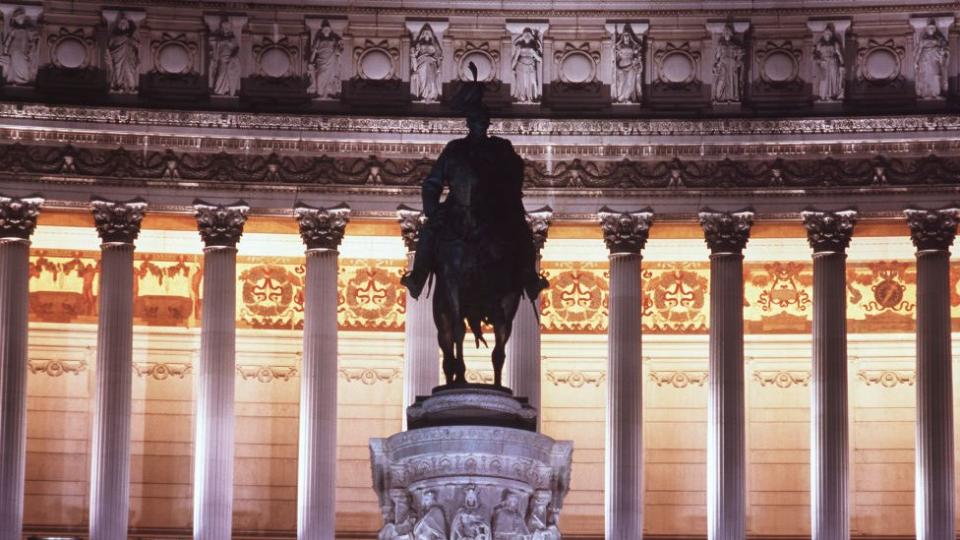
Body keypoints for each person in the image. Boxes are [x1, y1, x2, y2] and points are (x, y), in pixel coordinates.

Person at [399, 85, 546, 303]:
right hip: (457, 207)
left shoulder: (499, 148)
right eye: (477, 122)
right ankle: (417, 277)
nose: (481, 126)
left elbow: (515, 171)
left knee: (522, 232)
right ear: (469, 124)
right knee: (428, 231)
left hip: (493, 208)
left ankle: (529, 277)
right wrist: (432, 209)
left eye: (484, 123)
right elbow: (432, 183)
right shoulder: (455, 149)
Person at [308, 19, 343, 99]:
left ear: (330, 30)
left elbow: (339, 48)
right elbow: (314, 51)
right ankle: (320, 93)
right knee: (320, 76)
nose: (326, 30)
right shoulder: (319, 40)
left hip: (331, 59)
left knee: (331, 76)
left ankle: (328, 93)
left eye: (327, 29)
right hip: (321, 60)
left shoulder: (333, 40)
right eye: (325, 29)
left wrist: (339, 46)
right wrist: (311, 61)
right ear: (322, 30)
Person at [2, 7, 38, 86]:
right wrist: (5, 51)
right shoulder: (13, 30)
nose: (20, 19)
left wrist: (31, 48)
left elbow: (33, 40)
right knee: (15, 64)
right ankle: (15, 78)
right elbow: (8, 41)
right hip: (14, 50)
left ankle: (22, 78)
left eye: (21, 17)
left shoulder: (28, 30)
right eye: (18, 18)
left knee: (23, 64)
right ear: (15, 20)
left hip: (24, 50)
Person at [915, 21, 949, 99]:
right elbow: (919, 50)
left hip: (936, 58)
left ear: (935, 28)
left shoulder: (939, 38)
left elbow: (944, 47)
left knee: (937, 75)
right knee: (926, 76)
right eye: (930, 27)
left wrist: (943, 51)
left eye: (933, 27)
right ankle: (926, 94)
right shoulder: (923, 39)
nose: (931, 29)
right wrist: (916, 62)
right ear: (927, 28)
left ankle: (937, 93)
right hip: (925, 59)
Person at [108, 13, 140, 93]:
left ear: (127, 25)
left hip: (129, 57)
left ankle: (131, 87)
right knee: (117, 70)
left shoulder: (130, 37)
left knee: (130, 71)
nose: (123, 25)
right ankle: (118, 86)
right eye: (121, 23)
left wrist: (131, 40)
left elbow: (138, 45)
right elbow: (110, 45)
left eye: (124, 24)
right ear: (118, 25)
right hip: (118, 57)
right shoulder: (115, 36)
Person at [712, 23, 744, 102]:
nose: (726, 33)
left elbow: (740, 55)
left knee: (732, 80)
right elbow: (717, 57)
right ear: (723, 33)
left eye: (728, 32)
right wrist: (716, 64)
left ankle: (731, 97)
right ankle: (720, 97)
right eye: (725, 32)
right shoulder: (721, 45)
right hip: (723, 64)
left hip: (732, 64)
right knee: (722, 80)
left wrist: (738, 60)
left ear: (730, 33)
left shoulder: (734, 45)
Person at [410, 24, 443, 102]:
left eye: (428, 33)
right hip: (421, 62)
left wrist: (439, 63)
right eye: (425, 33)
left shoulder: (434, 44)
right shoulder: (419, 44)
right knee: (422, 80)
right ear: (423, 34)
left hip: (432, 63)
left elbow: (439, 54)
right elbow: (415, 53)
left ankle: (431, 95)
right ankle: (423, 95)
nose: (427, 34)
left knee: (431, 80)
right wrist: (414, 53)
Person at [208, 17, 240, 96]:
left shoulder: (232, 39)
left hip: (229, 60)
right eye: (224, 28)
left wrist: (233, 56)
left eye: (227, 28)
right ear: (222, 28)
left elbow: (237, 48)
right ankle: (219, 90)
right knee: (220, 74)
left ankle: (226, 90)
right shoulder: (218, 38)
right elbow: (211, 41)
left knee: (228, 76)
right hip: (221, 60)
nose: (226, 29)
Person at [813, 25, 845, 101]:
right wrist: (820, 60)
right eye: (826, 34)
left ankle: (831, 95)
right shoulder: (820, 44)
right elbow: (815, 55)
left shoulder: (835, 43)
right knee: (824, 80)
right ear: (824, 34)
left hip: (833, 62)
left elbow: (839, 54)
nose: (827, 35)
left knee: (833, 79)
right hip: (823, 63)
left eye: (829, 34)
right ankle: (823, 95)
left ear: (831, 35)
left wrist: (842, 64)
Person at [613, 26, 643, 104]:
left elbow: (639, 49)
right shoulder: (619, 46)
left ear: (630, 37)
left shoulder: (633, 46)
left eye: (628, 36)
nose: (626, 38)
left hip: (631, 65)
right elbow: (615, 51)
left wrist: (637, 55)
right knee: (622, 82)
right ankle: (620, 98)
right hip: (622, 65)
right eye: (625, 36)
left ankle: (627, 98)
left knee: (630, 82)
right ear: (623, 37)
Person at [511, 28, 542, 102]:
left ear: (531, 35)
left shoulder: (533, 46)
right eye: (526, 34)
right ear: (523, 35)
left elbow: (538, 58)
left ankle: (533, 97)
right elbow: (516, 57)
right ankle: (522, 97)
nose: (527, 36)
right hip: (521, 66)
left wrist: (539, 54)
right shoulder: (519, 46)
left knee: (533, 82)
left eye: (529, 34)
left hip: (531, 66)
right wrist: (513, 66)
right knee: (522, 82)